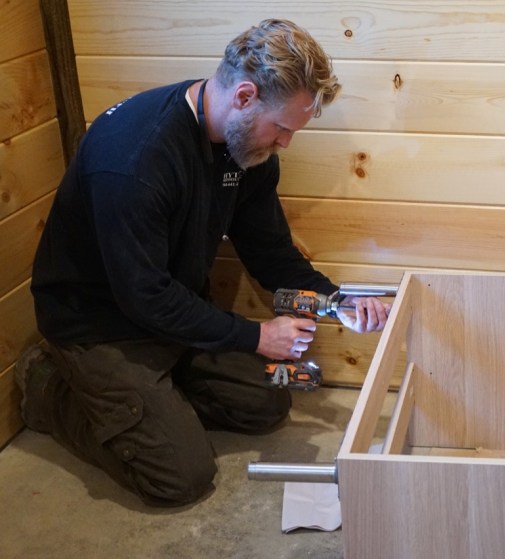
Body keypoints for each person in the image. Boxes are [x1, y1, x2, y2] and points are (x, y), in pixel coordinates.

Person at [16, 19, 390, 507]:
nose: (285, 143)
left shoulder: (247, 151)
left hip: (172, 311)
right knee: (180, 477)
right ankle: (48, 388)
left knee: (267, 404)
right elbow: (143, 295)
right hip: (99, 325)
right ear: (244, 96)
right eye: (281, 128)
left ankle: (151, 400)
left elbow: (270, 251)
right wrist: (258, 336)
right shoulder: (136, 157)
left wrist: (336, 302)